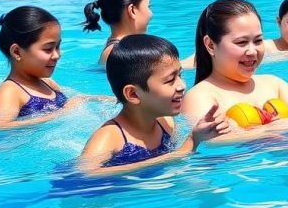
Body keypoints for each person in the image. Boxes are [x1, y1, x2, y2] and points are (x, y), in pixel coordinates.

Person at [79, 35, 231, 174]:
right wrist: (190, 142)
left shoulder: (166, 123)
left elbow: (176, 165)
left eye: (180, 75)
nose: (182, 85)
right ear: (133, 94)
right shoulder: (110, 137)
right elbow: (84, 175)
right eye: (170, 80)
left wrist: (201, 136)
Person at [181, 0, 288, 138]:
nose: (252, 51)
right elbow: (209, 141)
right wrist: (270, 130)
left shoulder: (274, 84)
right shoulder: (200, 96)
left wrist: (272, 128)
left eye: (258, 41)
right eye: (241, 42)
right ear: (211, 45)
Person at [0, 6, 74, 129]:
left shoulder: (48, 83)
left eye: (58, 47)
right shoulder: (10, 92)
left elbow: (72, 103)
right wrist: (59, 115)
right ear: (17, 52)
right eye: (48, 49)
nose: (57, 55)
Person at [82, 0, 152, 63]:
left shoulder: (115, 49)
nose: (150, 14)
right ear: (132, 10)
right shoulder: (120, 55)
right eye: (148, 7)